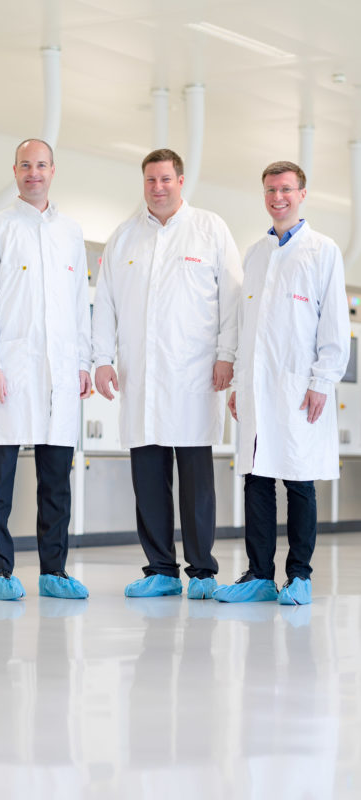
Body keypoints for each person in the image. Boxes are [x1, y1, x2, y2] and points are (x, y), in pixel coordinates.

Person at [92, 148, 243, 599]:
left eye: (165, 179)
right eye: (150, 180)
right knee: (149, 480)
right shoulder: (123, 238)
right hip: (141, 378)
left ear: (181, 181)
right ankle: (160, 568)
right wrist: (101, 358)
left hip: (196, 376)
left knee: (196, 483)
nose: (157, 188)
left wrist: (227, 354)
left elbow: (233, 301)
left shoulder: (210, 229)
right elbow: (106, 305)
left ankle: (202, 571)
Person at [213, 160, 351, 606]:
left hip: (298, 388)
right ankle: (258, 575)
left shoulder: (323, 251)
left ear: (302, 194)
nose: (278, 198)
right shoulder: (255, 253)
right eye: (271, 190)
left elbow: (332, 325)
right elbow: (245, 323)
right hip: (256, 387)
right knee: (256, 478)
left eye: (286, 189)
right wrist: (237, 380)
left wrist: (322, 381)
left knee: (299, 479)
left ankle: (300, 576)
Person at [0, 138, 92, 601]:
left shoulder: (71, 232)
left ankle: (53, 571)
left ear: (53, 170)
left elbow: (82, 303)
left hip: (60, 375)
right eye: (26, 165)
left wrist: (82, 362)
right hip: (11, 371)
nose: (34, 173)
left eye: (41, 165)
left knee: (56, 482)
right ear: (15, 171)